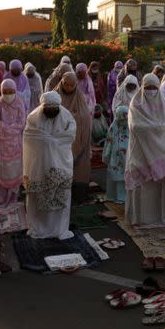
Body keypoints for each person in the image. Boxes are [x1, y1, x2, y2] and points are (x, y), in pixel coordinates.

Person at [125, 74, 165, 230]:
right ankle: (141, 219)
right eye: (148, 88)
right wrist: (156, 128)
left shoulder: (164, 104)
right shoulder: (135, 103)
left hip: (161, 153)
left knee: (161, 186)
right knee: (142, 185)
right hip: (141, 152)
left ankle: (163, 218)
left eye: (154, 88)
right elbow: (134, 126)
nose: (151, 91)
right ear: (142, 88)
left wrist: (152, 128)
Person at [23, 91, 76, 240]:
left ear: (59, 107)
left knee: (61, 195)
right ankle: (39, 228)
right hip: (39, 165)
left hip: (61, 163)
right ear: (43, 106)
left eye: (54, 108)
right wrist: (47, 140)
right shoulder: (33, 118)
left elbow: (70, 136)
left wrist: (52, 141)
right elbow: (29, 137)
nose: (52, 111)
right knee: (38, 196)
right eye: (49, 108)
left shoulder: (67, 117)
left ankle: (58, 229)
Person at [55, 72, 93, 204]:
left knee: (78, 171)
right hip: (59, 144)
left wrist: (68, 117)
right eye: (66, 84)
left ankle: (78, 198)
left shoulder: (79, 97)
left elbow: (85, 117)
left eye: (72, 85)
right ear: (61, 83)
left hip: (78, 142)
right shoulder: (55, 96)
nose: (69, 87)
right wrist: (71, 116)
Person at [0, 79, 27, 209]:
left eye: (11, 92)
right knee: (2, 171)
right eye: (5, 92)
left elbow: (22, 123)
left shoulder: (20, 103)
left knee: (14, 170)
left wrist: (5, 128)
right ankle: (1, 199)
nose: (8, 95)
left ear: (15, 91)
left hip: (15, 146)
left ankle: (13, 198)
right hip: (1, 146)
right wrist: (8, 128)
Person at [102, 105, 129, 204]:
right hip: (115, 157)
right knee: (115, 176)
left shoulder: (130, 127)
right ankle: (113, 196)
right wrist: (106, 156)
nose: (123, 122)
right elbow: (108, 142)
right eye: (120, 119)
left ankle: (124, 197)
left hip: (127, 156)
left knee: (124, 177)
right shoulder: (113, 128)